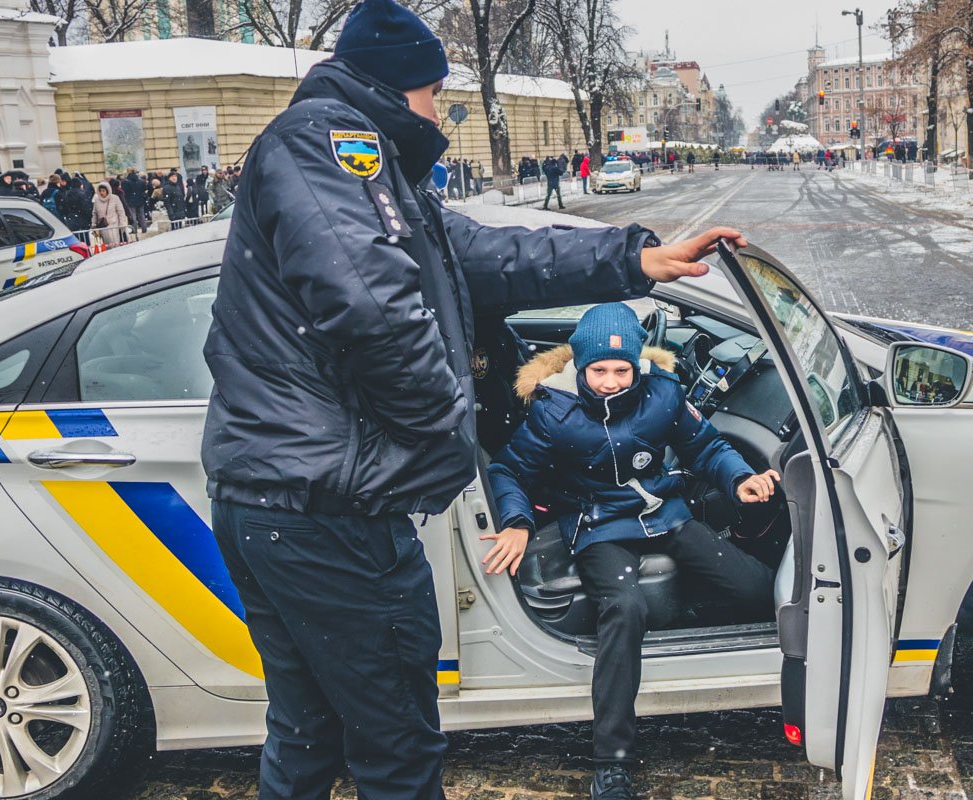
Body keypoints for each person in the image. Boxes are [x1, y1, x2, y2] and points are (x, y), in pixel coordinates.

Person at [202, 1, 747, 797]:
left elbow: (496, 255)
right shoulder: (330, 143)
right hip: (328, 518)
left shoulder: (375, 174)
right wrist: (445, 432)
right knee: (396, 752)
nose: (440, 111)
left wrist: (638, 260)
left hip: (289, 503)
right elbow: (374, 306)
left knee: (309, 734)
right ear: (396, 85)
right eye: (433, 93)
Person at [485, 303, 777, 800]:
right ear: (580, 366)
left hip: (666, 515)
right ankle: (612, 761)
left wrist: (740, 479)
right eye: (598, 370)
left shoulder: (663, 395)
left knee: (758, 588)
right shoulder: (554, 412)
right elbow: (508, 471)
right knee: (624, 609)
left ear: (638, 365)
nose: (611, 381)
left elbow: (705, 448)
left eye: (622, 370)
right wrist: (516, 522)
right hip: (599, 526)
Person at [122, 168, 149, 233]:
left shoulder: (125, 182)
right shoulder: (142, 181)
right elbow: (144, 189)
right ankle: (144, 229)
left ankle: (135, 230)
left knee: (133, 216)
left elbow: (125, 191)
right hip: (140, 199)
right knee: (141, 215)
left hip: (130, 200)